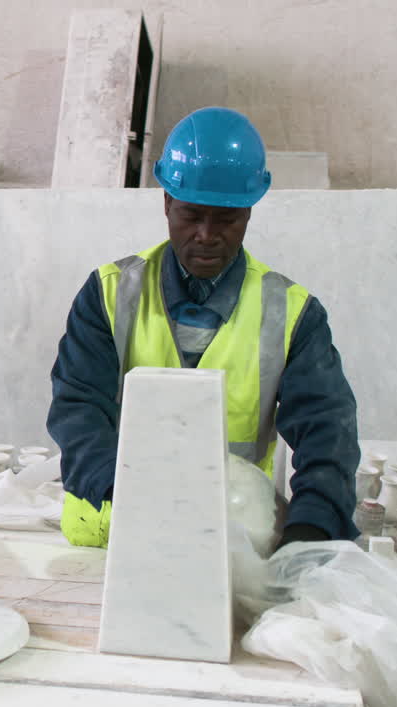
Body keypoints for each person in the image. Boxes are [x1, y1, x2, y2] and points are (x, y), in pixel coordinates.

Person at [47, 107, 358, 550]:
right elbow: (78, 409)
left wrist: (311, 530)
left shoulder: (293, 313)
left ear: (249, 212)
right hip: (113, 533)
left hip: (234, 543)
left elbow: (328, 432)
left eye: (227, 219)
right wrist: (133, 497)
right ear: (167, 203)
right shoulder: (108, 294)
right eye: (192, 215)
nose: (208, 235)